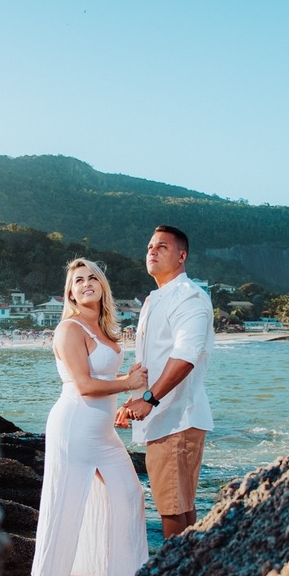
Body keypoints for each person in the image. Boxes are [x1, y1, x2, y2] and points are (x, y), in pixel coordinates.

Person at [31, 258, 150, 576]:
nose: (86, 283)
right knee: (68, 499)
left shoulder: (103, 329)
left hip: (102, 432)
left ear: (102, 286)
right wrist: (127, 382)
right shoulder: (69, 330)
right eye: (78, 280)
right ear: (70, 291)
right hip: (74, 425)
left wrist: (128, 388)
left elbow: (103, 379)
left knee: (129, 495)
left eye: (92, 278)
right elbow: (83, 385)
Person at [117, 225, 214, 538]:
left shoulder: (189, 299)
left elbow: (185, 356)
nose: (152, 252)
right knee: (179, 506)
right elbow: (151, 362)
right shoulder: (153, 300)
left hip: (178, 419)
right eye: (149, 247)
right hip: (165, 417)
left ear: (182, 256)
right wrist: (132, 401)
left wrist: (149, 399)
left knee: (172, 508)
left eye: (162, 247)